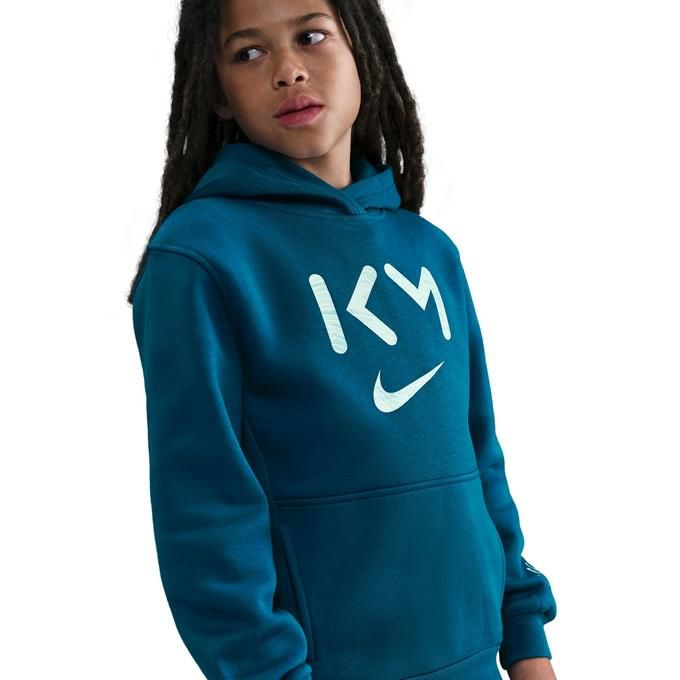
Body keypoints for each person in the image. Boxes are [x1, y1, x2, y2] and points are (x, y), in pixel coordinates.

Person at [127, 1, 558, 678]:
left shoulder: (430, 250)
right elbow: (204, 510)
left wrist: (526, 637)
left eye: (311, 35)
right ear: (216, 92)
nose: (288, 70)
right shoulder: (201, 259)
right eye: (249, 52)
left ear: (364, 51)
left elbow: (479, 457)